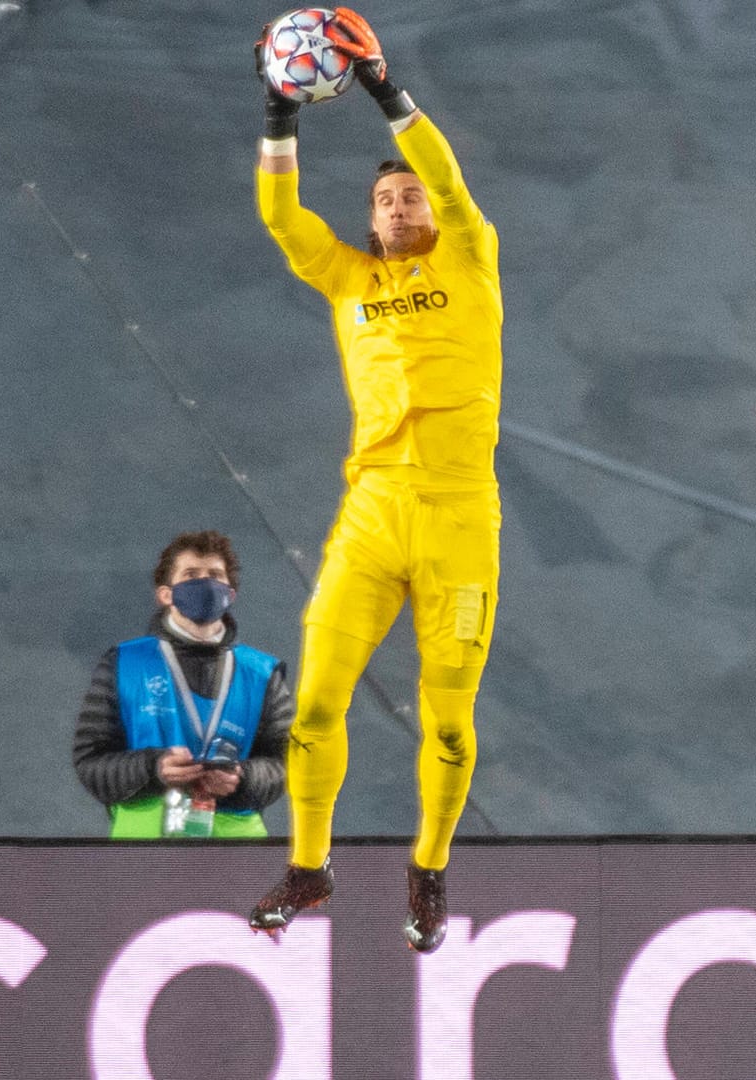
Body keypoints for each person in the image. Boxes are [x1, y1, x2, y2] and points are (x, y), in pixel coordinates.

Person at [247, 8, 502, 953]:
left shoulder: (473, 260)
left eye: (412, 199)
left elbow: (443, 173)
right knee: (314, 704)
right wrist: (280, 111)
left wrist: (386, 91)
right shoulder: (350, 280)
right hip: (373, 513)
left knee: (447, 721)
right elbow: (280, 214)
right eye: (386, 201)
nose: (401, 207)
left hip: (459, 518)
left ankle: (429, 865)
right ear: (369, 220)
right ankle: (309, 869)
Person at [73, 531, 293, 838]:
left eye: (215, 575)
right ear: (165, 594)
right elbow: (90, 761)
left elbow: (288, 764)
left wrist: (242, 779)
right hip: (140, 854)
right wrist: (153, 768)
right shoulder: (124, 663)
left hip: (238, 859)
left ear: (230, 593)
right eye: (191, 574)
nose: (204, 583)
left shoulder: (263, 673)